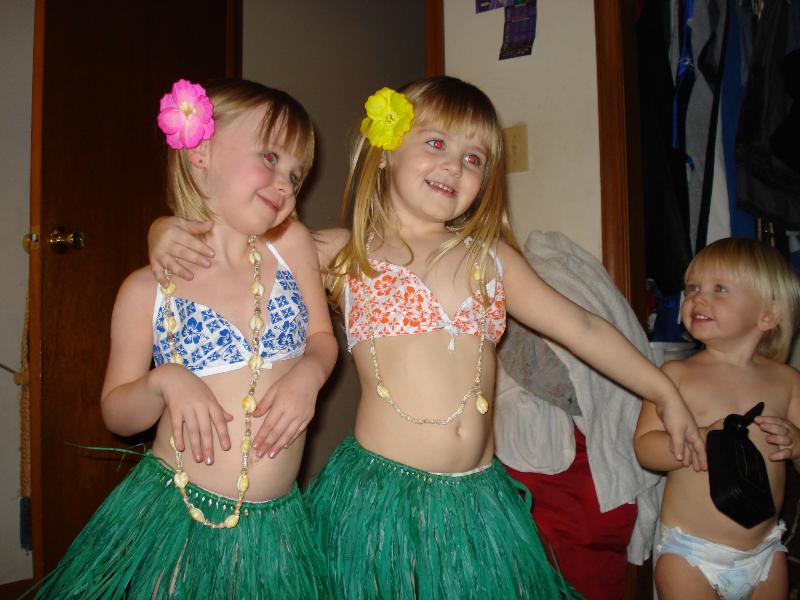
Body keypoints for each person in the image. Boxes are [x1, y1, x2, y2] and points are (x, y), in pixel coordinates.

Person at [148, 76, 705, 599]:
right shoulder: (346, 254)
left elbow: (583, 327)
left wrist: (664, 391)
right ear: (387, 150)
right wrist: (163, 230)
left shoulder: (492, 259)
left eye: (474, 158)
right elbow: (240, 240)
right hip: (378, 495)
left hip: (478, 498)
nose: (454, 166)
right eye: (436, 143)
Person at [33, 79, 336, 599]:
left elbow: (322, 338)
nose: (286, 184)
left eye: (295, 174)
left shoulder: (292, 247)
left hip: (276, 525)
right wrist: (166, 381)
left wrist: (310, 374)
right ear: (200, 154)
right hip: (176, 516)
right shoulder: (146, 290)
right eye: (270, 157)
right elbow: (117, 413)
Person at [634, 237, 800, 599]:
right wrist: (698, 437)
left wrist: (797, 444)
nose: (697, 298)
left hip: (764, 553)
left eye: (719, 288)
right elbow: (645, 448)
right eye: (692, 287)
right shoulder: (675, 375)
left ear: (768, 315)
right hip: (690, 555)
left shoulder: (788, 382)